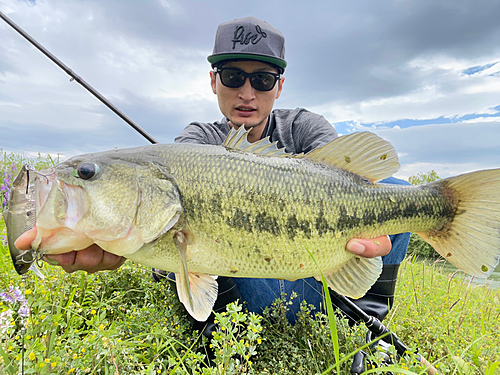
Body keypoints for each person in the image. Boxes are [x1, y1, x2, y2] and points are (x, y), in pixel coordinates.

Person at [15, 16, 410, 332]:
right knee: (251, 294)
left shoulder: (307, 128)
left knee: (396, 192)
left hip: (317, 271)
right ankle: (238, 327)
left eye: (263, 79)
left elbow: (359, 180)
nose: (247, 93)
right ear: (214, 81)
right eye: (234, 77)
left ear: (279, 86)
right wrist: (105, 238)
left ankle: (368, 312)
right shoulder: (194, 143)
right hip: (252, 283)